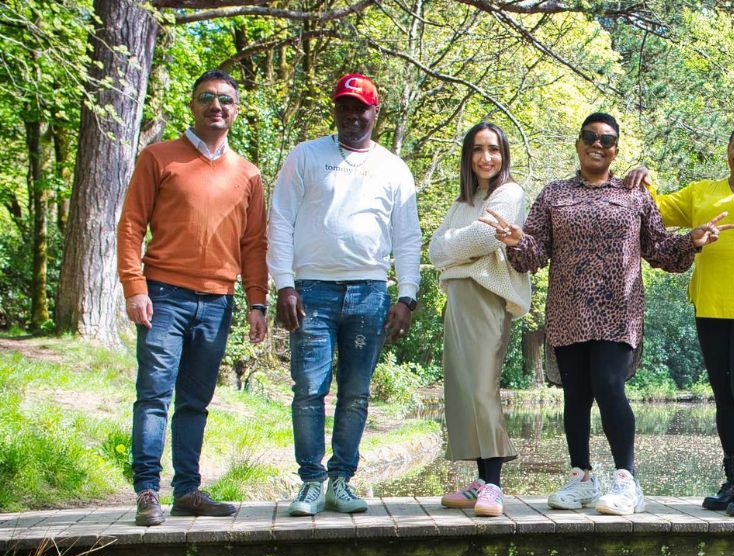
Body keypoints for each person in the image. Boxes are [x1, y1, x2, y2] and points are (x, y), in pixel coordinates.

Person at [481, 112, 731, 516]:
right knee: (576, 395)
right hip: (568, 309)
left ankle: (626, 480)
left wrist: (693, 240)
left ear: (616, 150)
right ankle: (581, 477)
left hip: (619, 310)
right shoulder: (554, 194)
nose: (598, 144)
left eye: (607, 140)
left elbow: (660, 250)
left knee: (609, 385)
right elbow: (534, 254)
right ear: (578, 144)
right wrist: (515, 240)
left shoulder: (634, 195)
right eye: (590, 137)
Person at [624, 110, 734, 517]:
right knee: (724, 396)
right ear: (728, 148)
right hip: (710, 303)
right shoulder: (702, 192)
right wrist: (643, 175)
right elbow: (656, 211)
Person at [117, 69, 268, 526]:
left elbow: (254, 243)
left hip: (218, 302)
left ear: (236, 110)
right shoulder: (159, 157)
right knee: (154, 395)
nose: (216, 106)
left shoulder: (248, 173)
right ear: (193, 106)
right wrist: (134, 287)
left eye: (225, 99)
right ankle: (147, 491)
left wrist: (257, 303)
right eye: (206, 98)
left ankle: (187, 491)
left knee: (195, 401)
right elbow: (130, 226)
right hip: (162, 296)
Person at [268, 73, 421, 516]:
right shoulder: (306, 156)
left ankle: (342, 480)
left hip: (370, 293)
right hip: (311, 291)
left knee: (356, 392)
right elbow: (280, 220)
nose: (353, 115)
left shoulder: (394, 168)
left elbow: (407, 237)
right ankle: (311, 483)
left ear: (376, 113)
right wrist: (284, 283)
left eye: (362, 108)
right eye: (345, 106)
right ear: (335, 110)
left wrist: (406, 295)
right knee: (309, 389)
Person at [429, 122, 530, 517]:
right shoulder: (463, 202)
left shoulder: (510, 193)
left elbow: (486, 240)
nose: (485, 157)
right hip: (456, 295)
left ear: (503, 154)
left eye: (493, 149)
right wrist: (459, 246)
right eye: (477, 149)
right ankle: (479, 482)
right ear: (467, 156)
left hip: (487, 296)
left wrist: (457, 247)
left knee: (482, 386)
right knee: (462, 387)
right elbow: (436, 251)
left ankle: (494, 486)